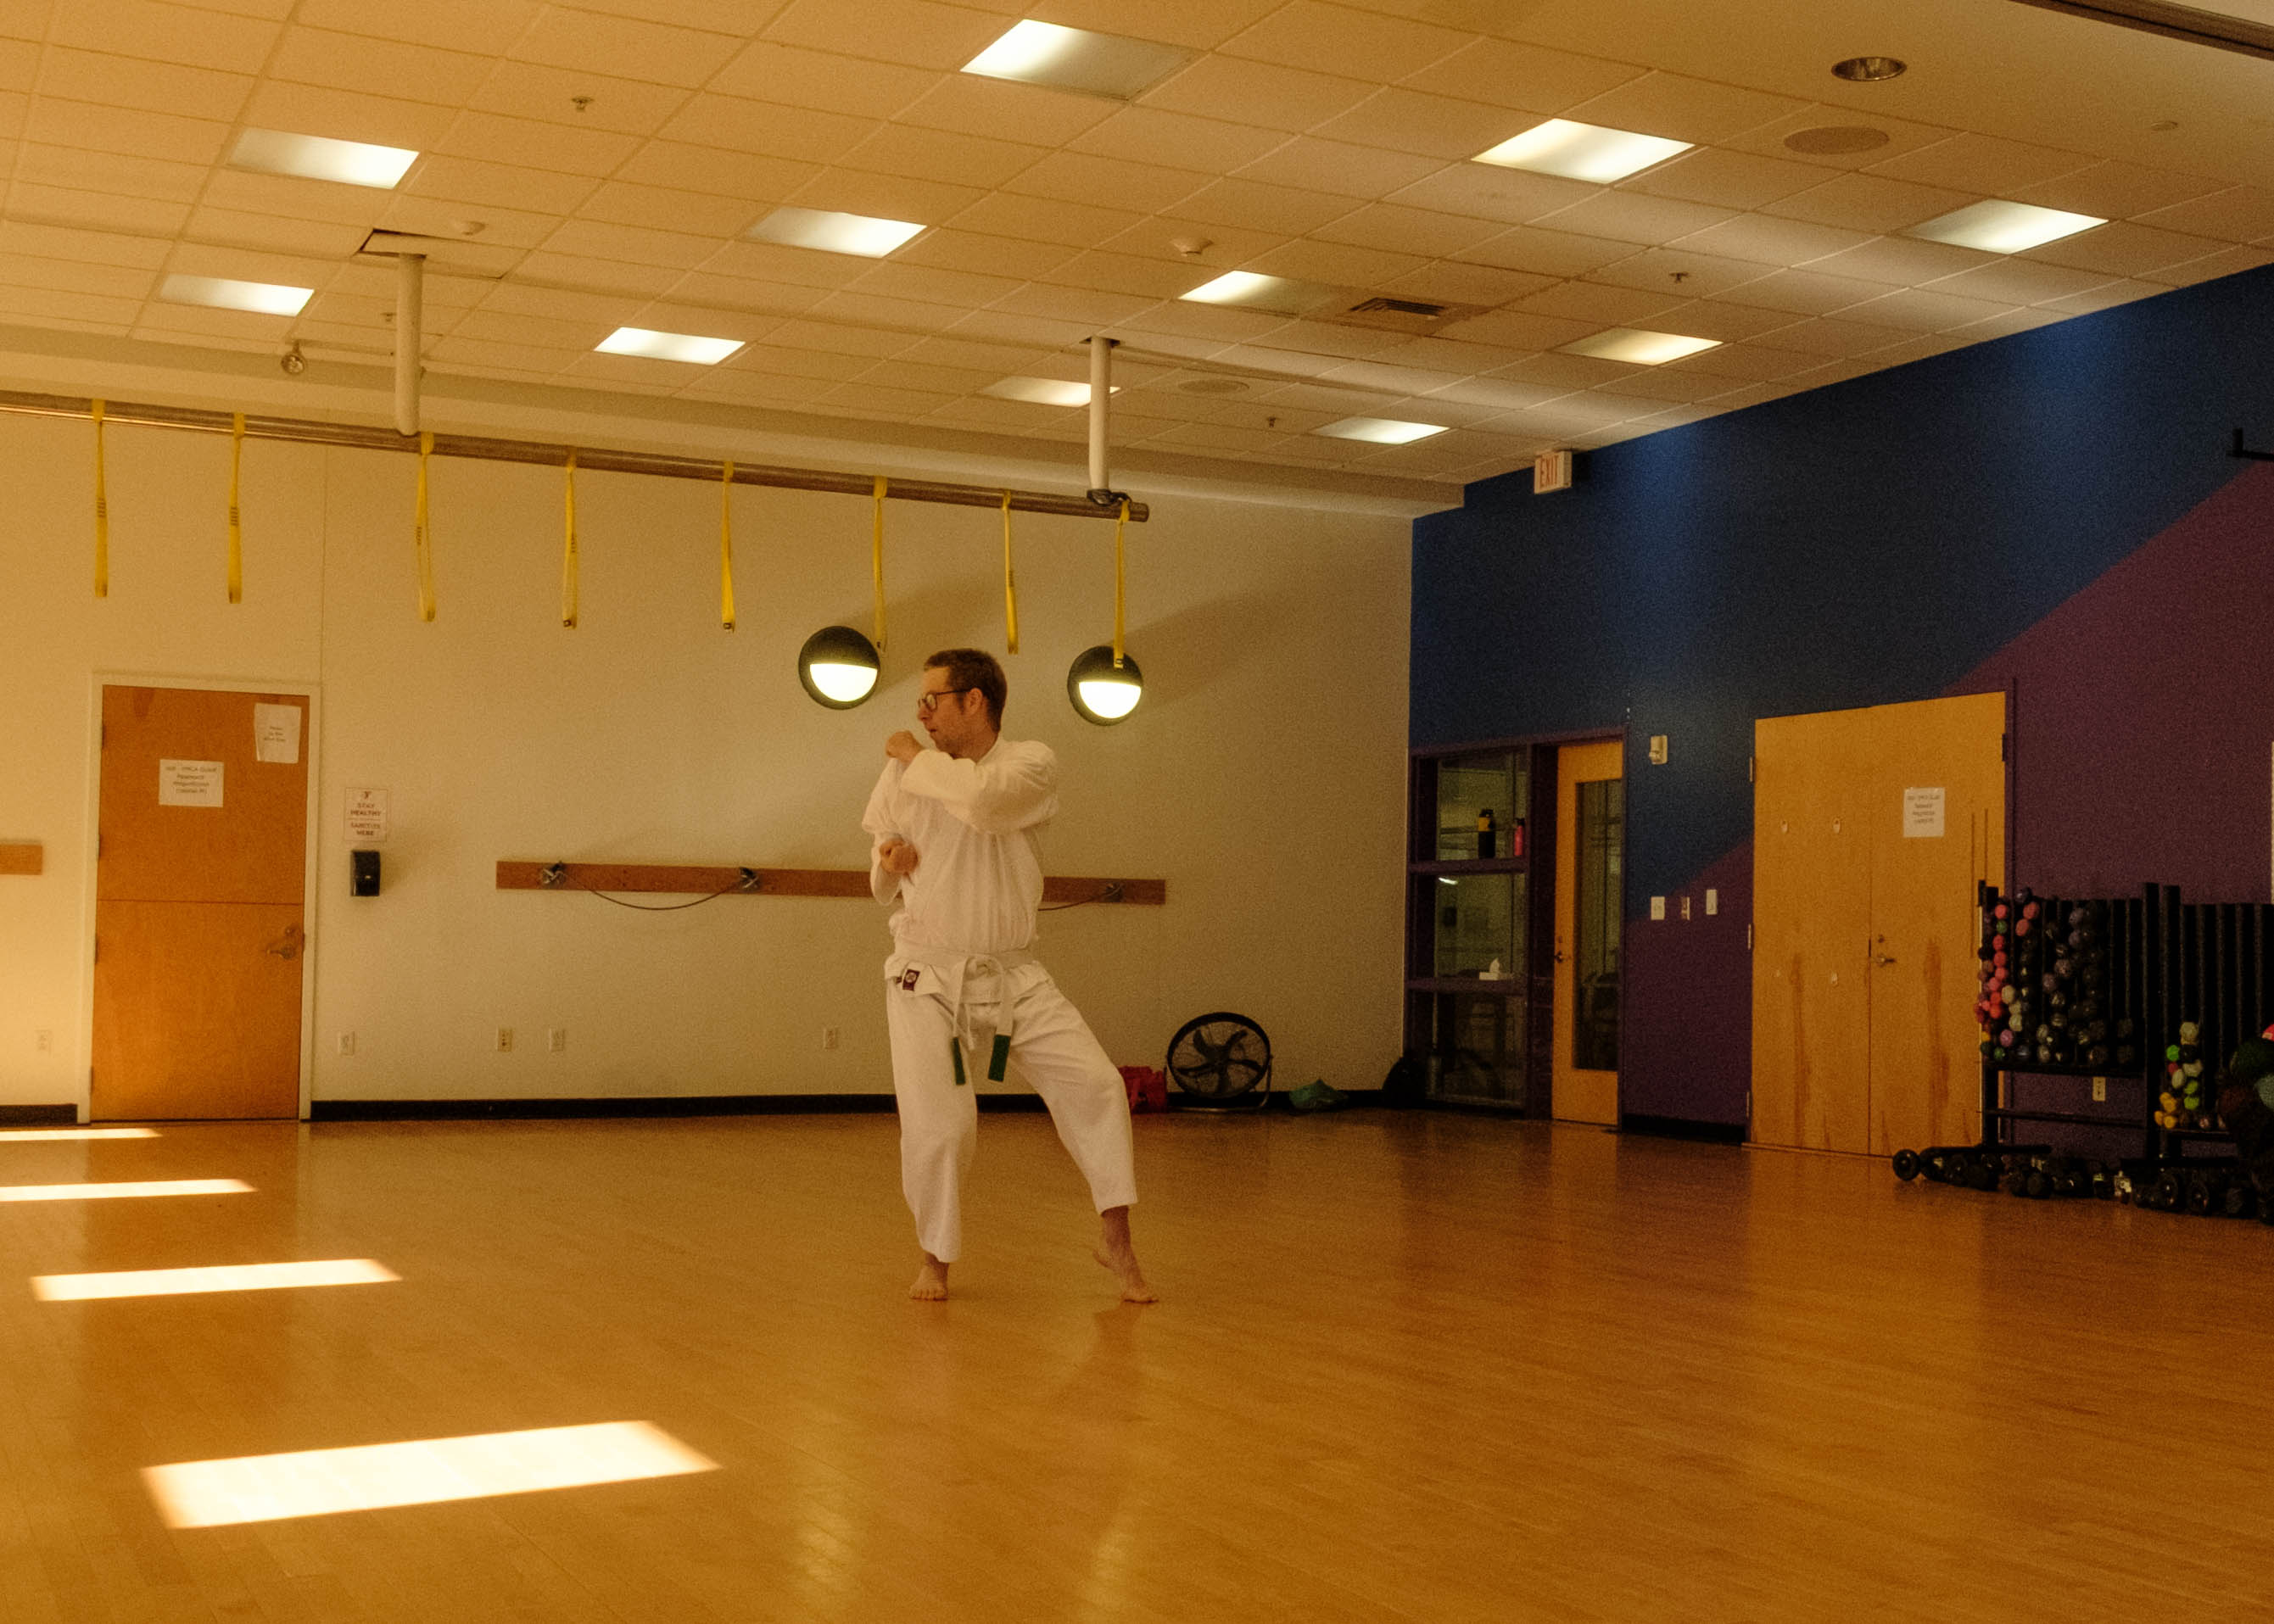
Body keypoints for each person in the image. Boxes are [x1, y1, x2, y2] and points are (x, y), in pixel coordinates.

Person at [861, 648, 1155, 1303]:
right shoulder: (905, 769)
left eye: (932, 699)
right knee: (941, 1127)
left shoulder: (1029, 764)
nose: (921, 713)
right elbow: (881, 844)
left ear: (975, 700)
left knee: (1098, 1087)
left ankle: (1116, 1240)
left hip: (1013, 974)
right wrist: (890, 854)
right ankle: (934, 1258)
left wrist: (914, 756)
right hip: (925, 975)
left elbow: (982, 805)